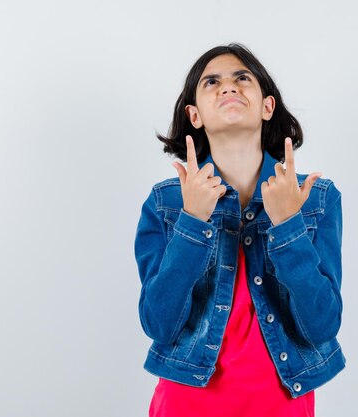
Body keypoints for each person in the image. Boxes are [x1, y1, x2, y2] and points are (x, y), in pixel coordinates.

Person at [133, 43, 346, 416]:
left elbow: (322, 326)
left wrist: (288, 226)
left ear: (267, 106)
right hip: (186, 405)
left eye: (242, 78)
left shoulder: (316, 200)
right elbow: (159, 325)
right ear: (194, 115)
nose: (228, 87)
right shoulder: (167, 204)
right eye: (212, 81)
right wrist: (192, 222)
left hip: (282, 407)